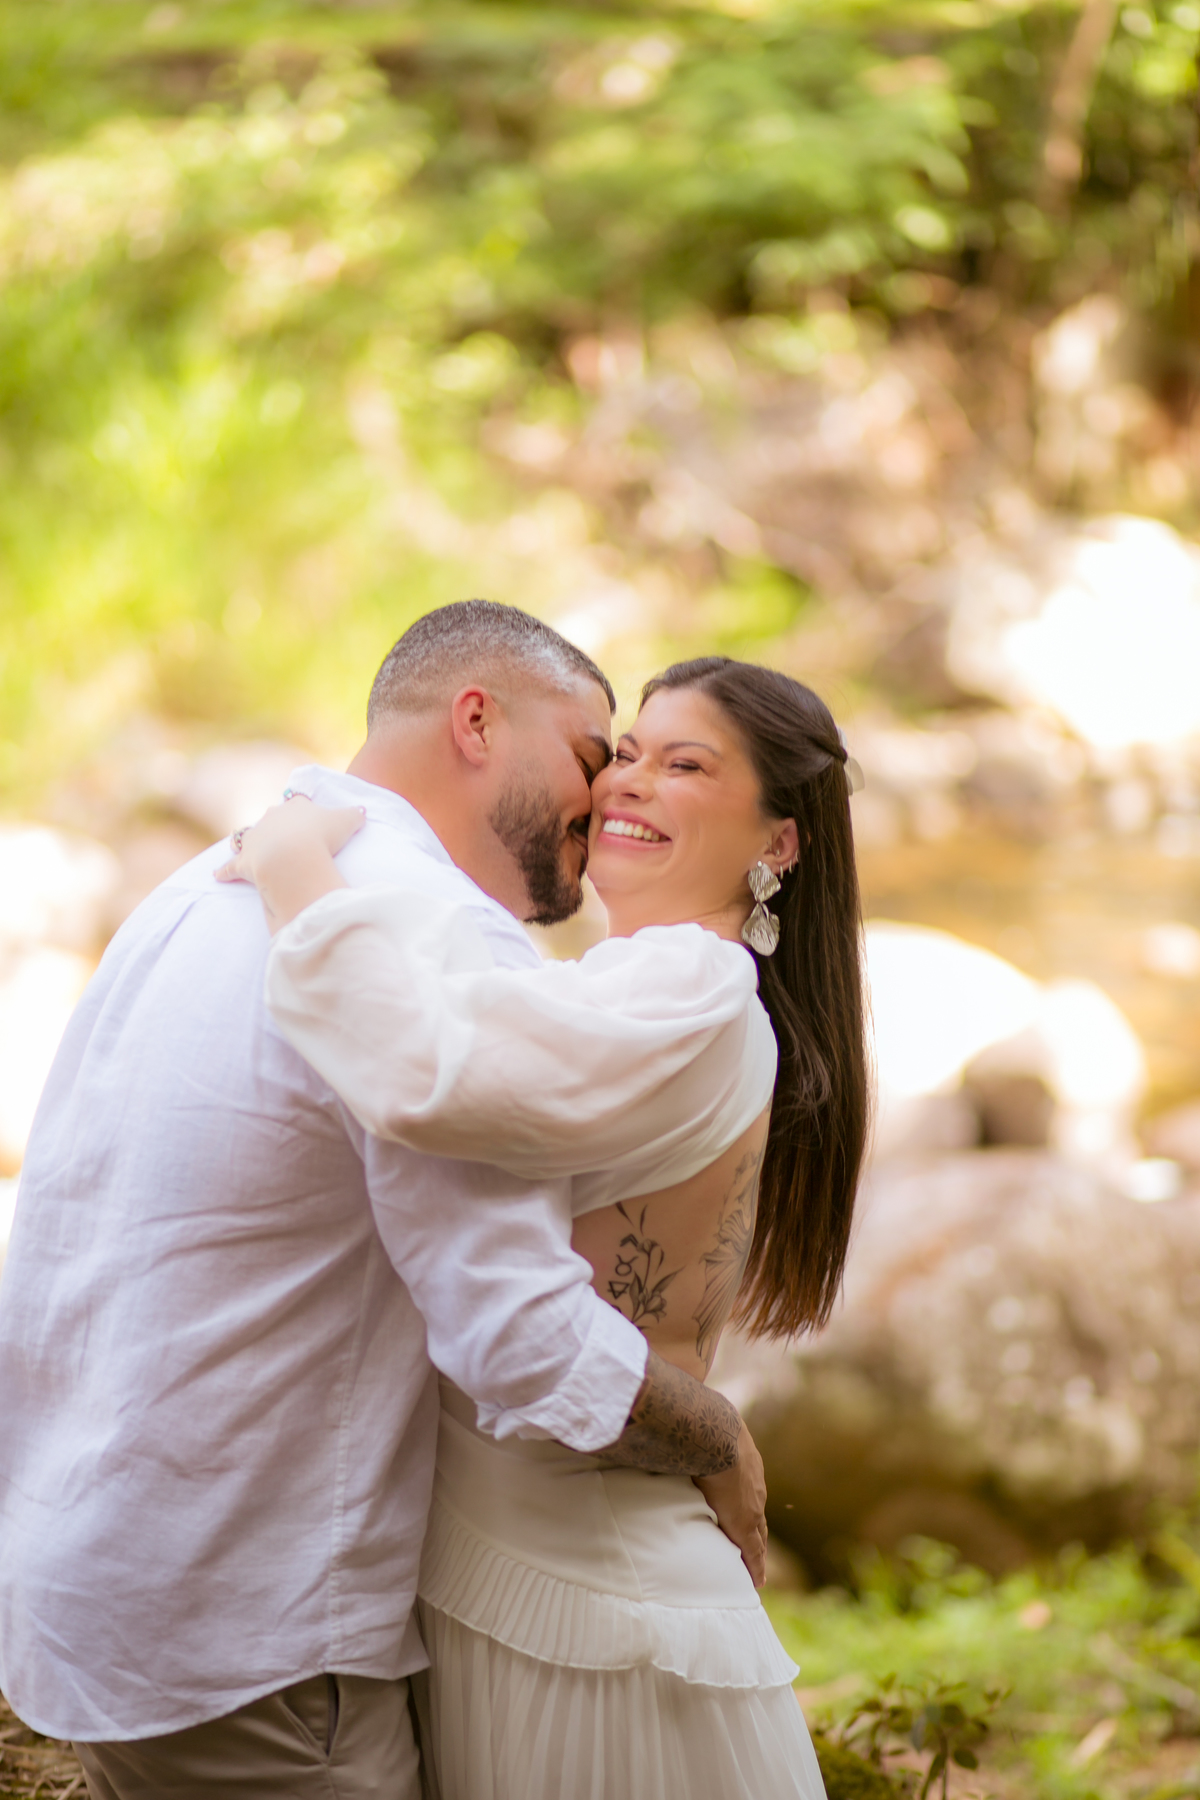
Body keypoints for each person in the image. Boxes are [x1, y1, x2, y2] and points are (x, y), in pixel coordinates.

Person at [0, 604, 769, 1800]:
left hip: (85, 1583)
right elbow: (519, 1334)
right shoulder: (433, 946)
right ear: (477, 722)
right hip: (254, 1637)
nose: (603, 795)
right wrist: (717, 1437)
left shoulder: (204, 883)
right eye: (592, 753)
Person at [221, 652, 869, 1800]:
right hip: (541, 1573)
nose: (629, 783)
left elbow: (427, 1066)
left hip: (598, 1609)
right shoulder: (653, 990)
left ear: (778, 843)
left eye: (686, 765)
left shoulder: (687, 986)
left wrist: (292, 867)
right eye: (626, 753)